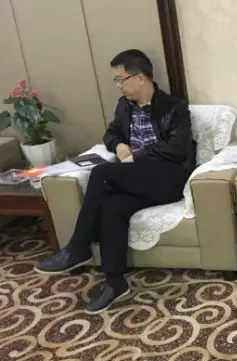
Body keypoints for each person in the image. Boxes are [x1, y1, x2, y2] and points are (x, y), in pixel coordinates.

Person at [36, 49, 196, 314]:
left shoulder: (175, 107)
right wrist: (120, 145)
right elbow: (110, 133)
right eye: (117, 80)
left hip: (168, 177)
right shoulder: (124, 106)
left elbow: (178, 149)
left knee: (102, 174)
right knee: (112, 207)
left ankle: (78, 247)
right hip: (135, 177)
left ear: (140, 78)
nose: (118, 85)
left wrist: (138, 155)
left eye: (121, 79)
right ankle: (115, 282)